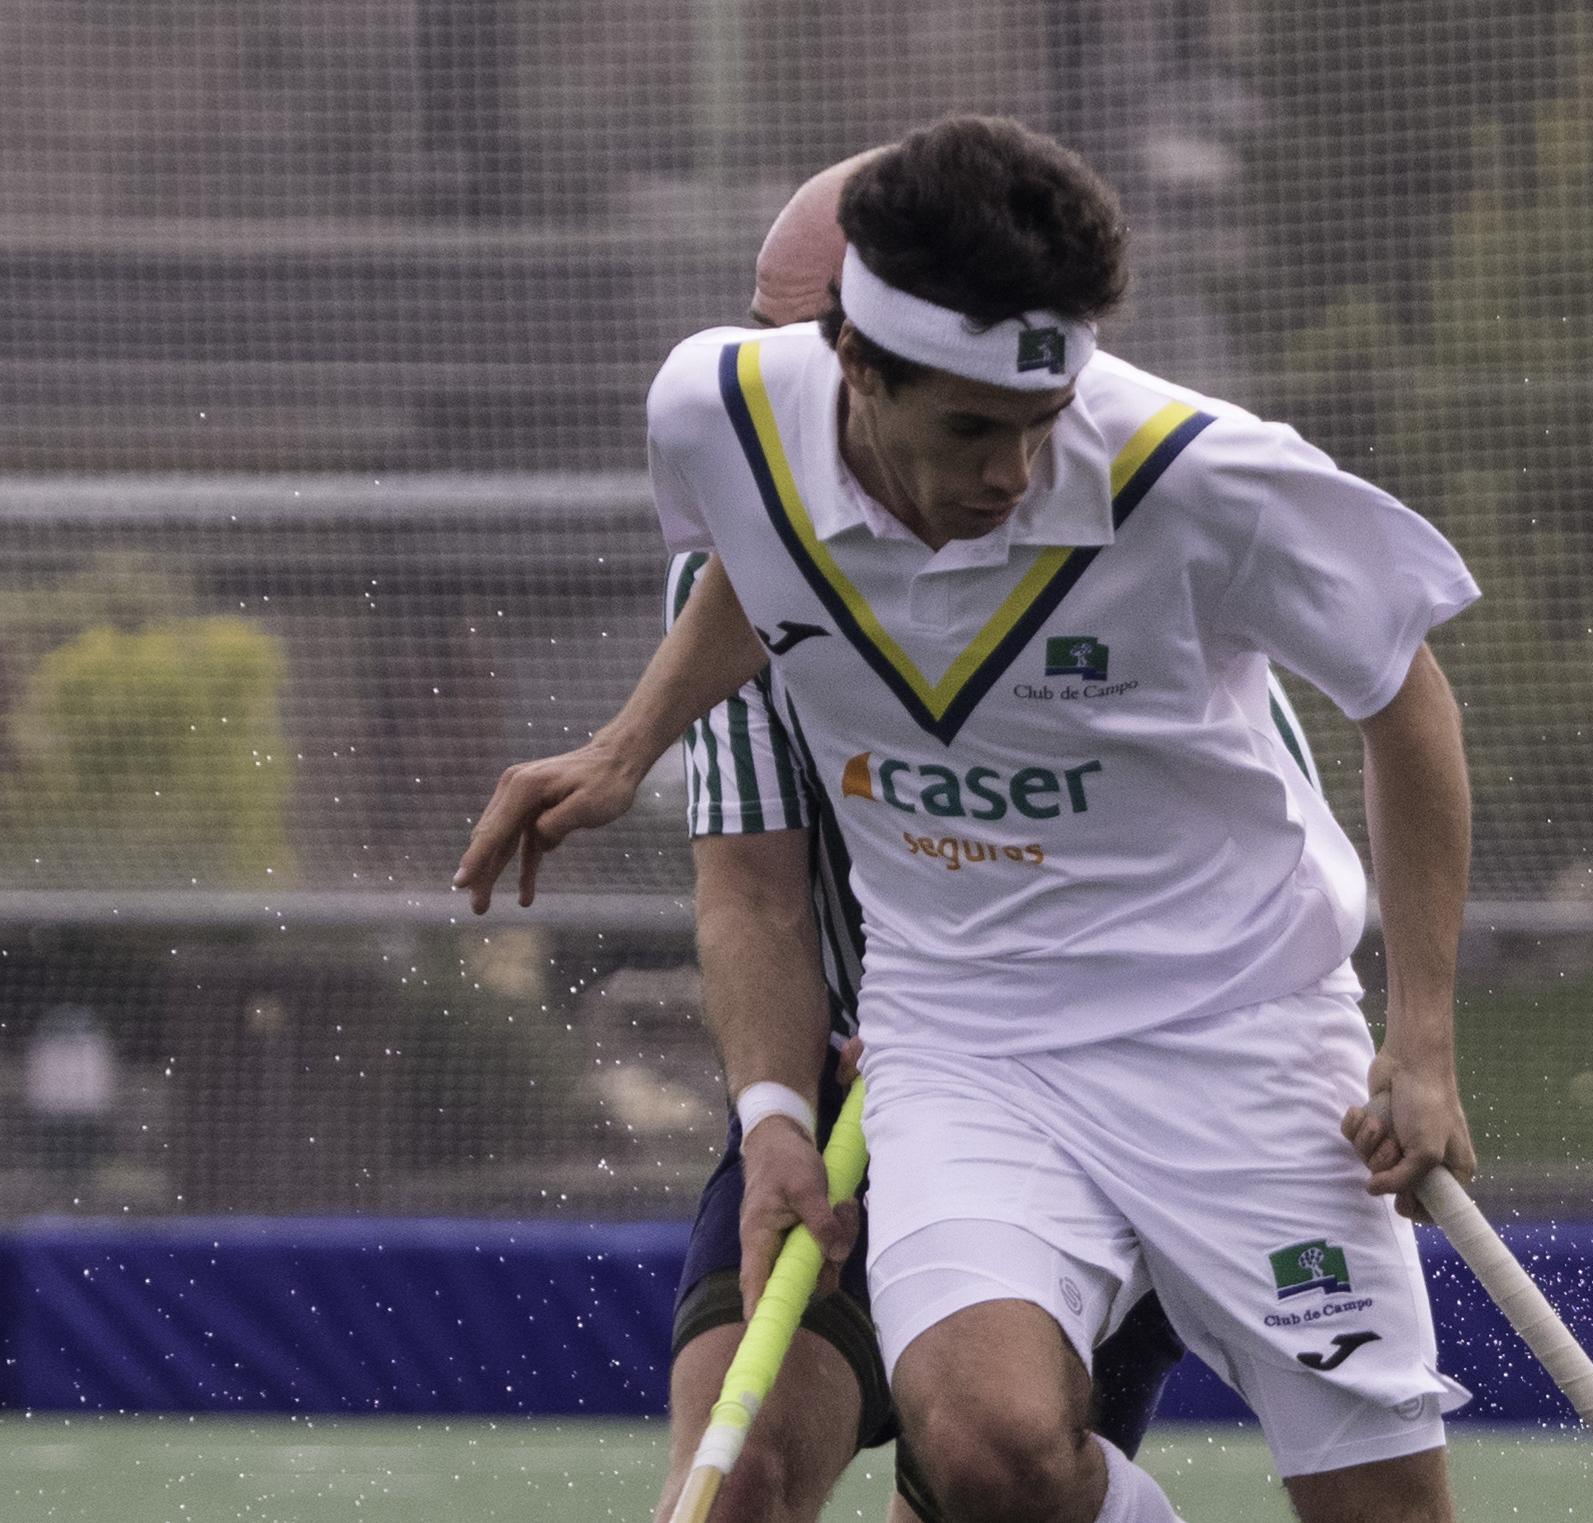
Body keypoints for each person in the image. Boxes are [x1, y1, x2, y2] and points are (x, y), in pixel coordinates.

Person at [460, 114, 1481, 1523]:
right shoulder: (714, 410)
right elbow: (763, 557)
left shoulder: (1196, 473)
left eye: (1041, 427)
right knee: (985, 1451)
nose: (1011, 474)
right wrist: (632, 742)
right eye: (969, 432)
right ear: (854, 368)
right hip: (964, 1033)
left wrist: (1420, 1035)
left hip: (1235, 1033)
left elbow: (1405, 695)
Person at [653, 150, 1185, 1523]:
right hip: (842, 1078)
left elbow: (1255, 855)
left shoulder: (1132, 542)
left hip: (1092, 1090)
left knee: (983, 1479)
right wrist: (774, 1118)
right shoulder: (736, 556)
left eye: (813, 360)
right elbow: (756, 897)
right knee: (740, 1478)